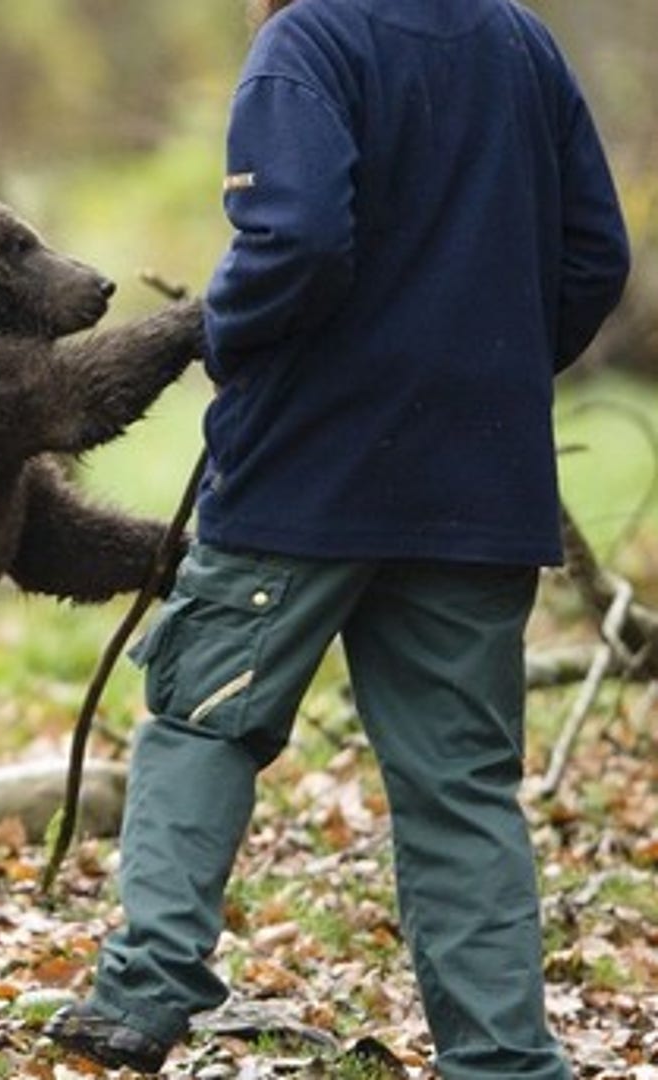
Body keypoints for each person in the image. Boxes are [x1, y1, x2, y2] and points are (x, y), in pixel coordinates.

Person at [45, 0, 631, 1075]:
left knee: (204, 720)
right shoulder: (520, 42)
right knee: (461, 785)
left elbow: (300, 236)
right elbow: (596, 254)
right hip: (478, 484)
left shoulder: (309, 39)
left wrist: (225, 333)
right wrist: (479, 374)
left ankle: (143, 996)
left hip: (302, 473)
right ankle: (503, 1058)